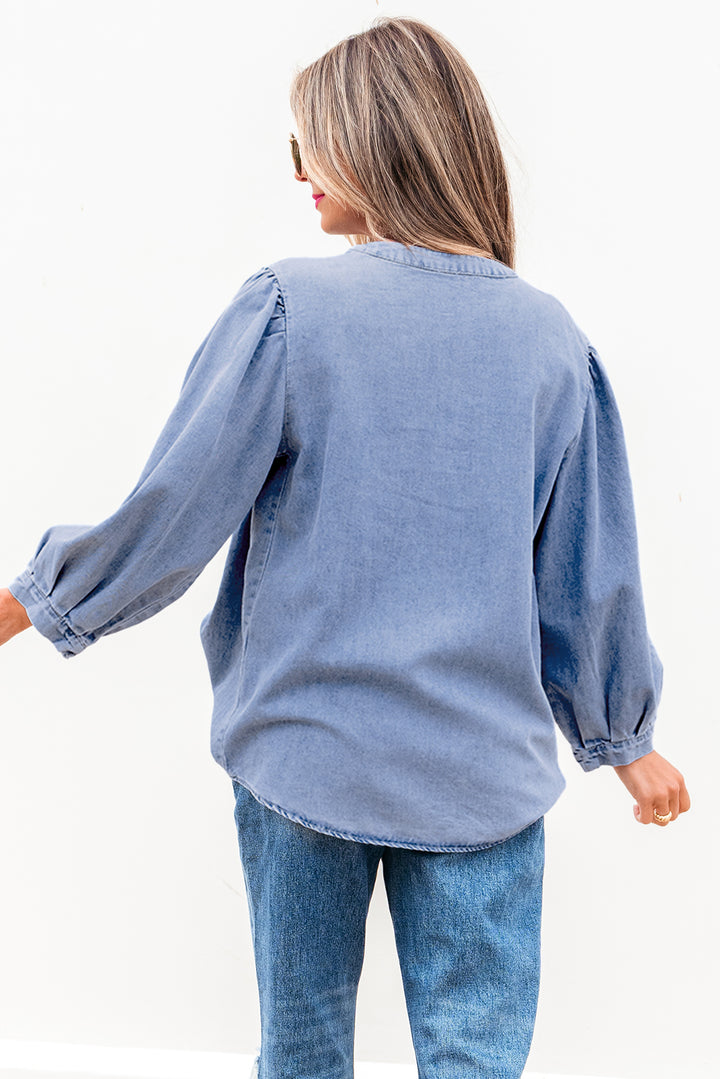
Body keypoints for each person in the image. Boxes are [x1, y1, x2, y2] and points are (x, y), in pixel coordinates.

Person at [0, 15, 690, 1079]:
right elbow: (588, 572)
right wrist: (622, 736)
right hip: (478, 775)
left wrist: (34, 601)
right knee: (476, 1055)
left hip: (304, 752)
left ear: (372, 142)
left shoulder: (290, 310)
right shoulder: (550, 337)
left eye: (306, 145)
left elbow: (174, 509)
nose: (298, 174)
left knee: (302, 1048)